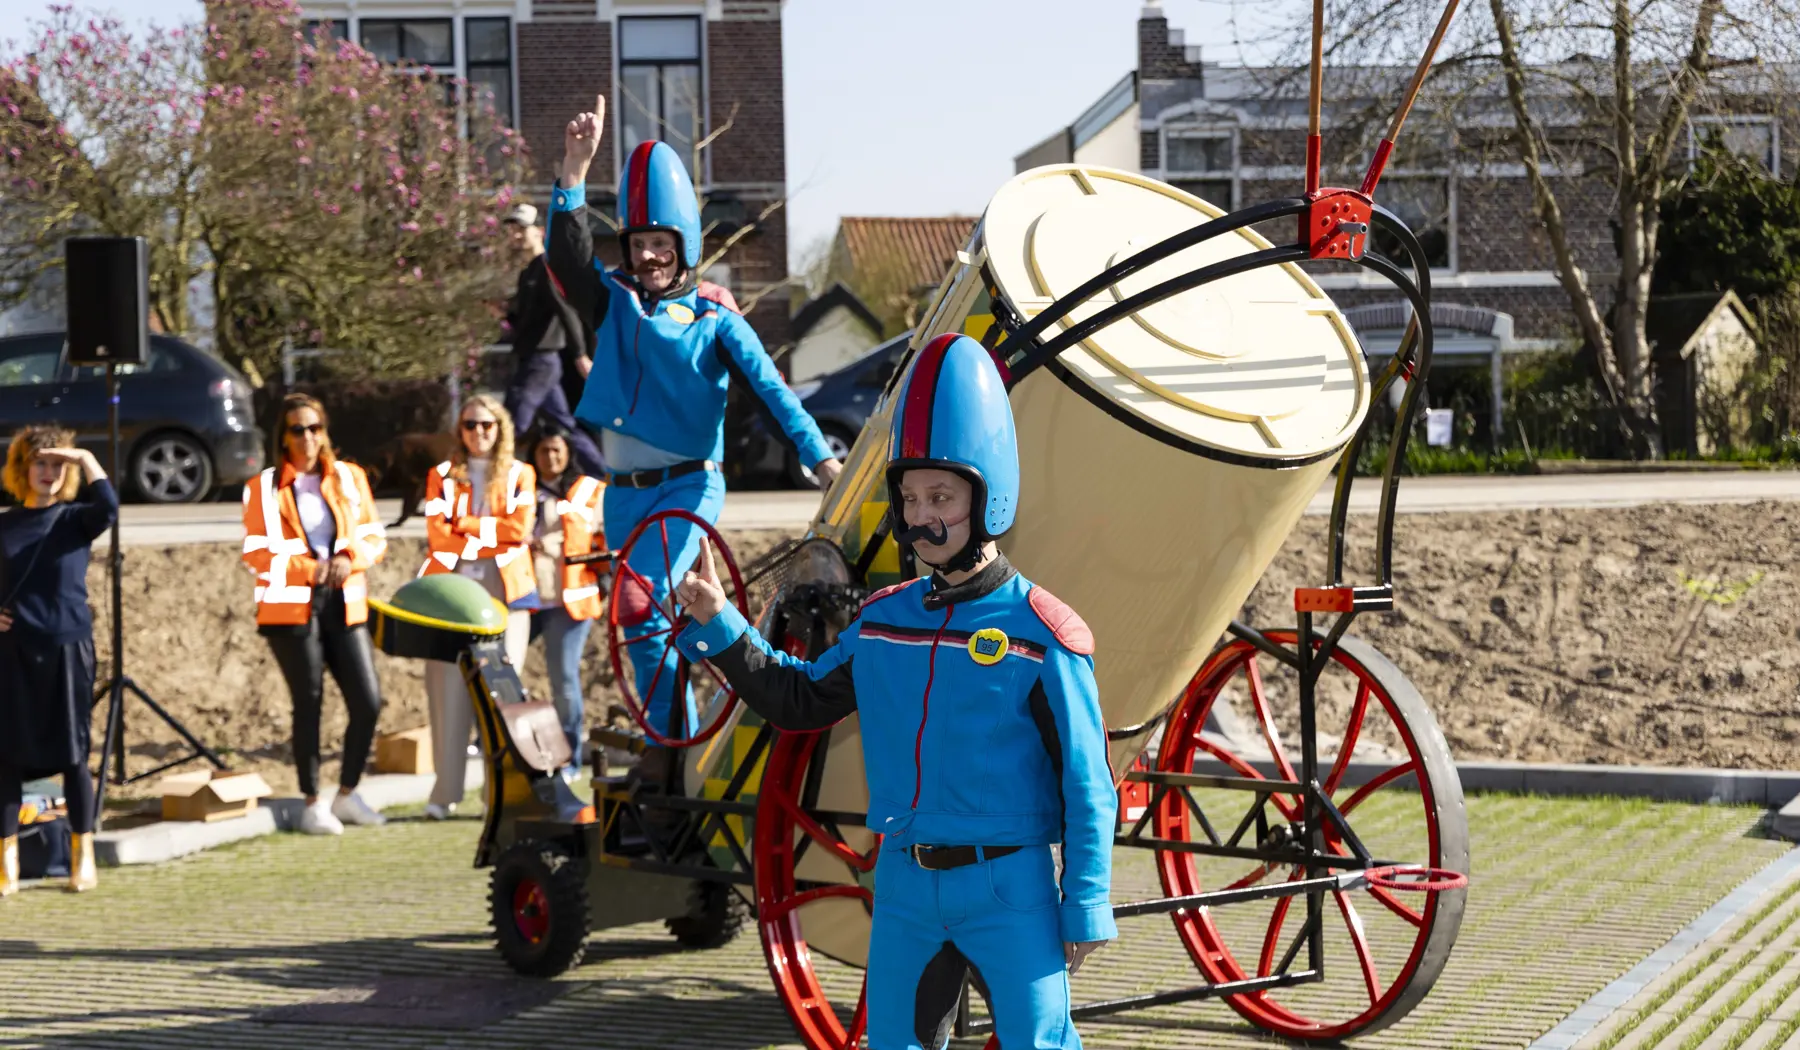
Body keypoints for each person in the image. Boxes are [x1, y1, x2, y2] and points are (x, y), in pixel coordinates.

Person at [674, 334, 1116, 1049]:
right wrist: (717, 623)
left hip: (1013, 894)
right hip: (906, 894)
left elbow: (1087, 781)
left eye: (940, 495)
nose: (920, 516)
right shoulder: (883, 622)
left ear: (988, 495)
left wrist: (1086, 904)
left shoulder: (1046, 634)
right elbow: (798, 701)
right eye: (909, 497)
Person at [548, 96, 842, 781]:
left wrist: (821, 459)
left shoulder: (714, 314)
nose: (648, 256)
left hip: (687, 483)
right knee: (647, 624)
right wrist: (573, 168)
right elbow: (564, 261)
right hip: (624, 496)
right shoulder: (613, 299)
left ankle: (669, 755)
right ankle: (681, 739)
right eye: (638, 243)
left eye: (661, 244)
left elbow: (772, 390)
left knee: (639, 603)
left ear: (684, 246)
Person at [241, 394, 389, 835]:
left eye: (314, 428)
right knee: (309, 702)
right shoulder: (262, 487)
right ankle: (311, 802)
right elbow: (258, 554)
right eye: (297, 430)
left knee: (367, 700)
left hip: (344, 599)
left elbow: (374, 537)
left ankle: (346, 794)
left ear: (325, 431)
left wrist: (349, 557)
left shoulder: (349, 477)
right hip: (291, 605)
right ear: (282, 437)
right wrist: (311, 569)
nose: (307, 438)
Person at [0, 427, 116, 895]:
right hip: (12, 652)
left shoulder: (77, 519)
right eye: (39, 463)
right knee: (5, 755)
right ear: (22, 469)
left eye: (56, 465)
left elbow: (109, 505)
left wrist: (85, 456)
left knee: (73, 754)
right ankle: (5, 861)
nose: (48, 473)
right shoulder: (5, 524)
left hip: (68, 648)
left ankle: (81, 855)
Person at [418, 396, 535, 819]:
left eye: (487, 424)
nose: (479, 432)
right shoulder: (441, 476)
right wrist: (489, 534)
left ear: (500, 428)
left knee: (502, 692)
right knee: (447, 692)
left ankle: (498, 795)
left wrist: (466, 526)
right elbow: (438, 537)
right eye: (470, 424)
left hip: (507, 591)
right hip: (452, 592)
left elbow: (518, 531)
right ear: (460, 430)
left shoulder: (522, 473)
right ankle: (444, 793)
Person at [501, 203, 606, 479]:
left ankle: (493, 484)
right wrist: (506, 314)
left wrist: (580, 354)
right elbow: (526, 322)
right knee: (566, 426)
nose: (516, 236)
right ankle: (608, 478)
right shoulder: (528, 273)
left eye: (521, 230)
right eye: (512, 231)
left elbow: (566, 311)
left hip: (541, 361)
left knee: (510, 424)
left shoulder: (548, 269)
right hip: (536, 359)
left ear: (539, 232)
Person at [526, 427, 607, 775]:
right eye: (544, 450)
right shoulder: (519, 487)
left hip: (568, 601)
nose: (551, 457)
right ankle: (514, 751)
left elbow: (604, 541)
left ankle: (569, 759)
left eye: (557, 450)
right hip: (525, 598)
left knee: (564, 682)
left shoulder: (588, 490)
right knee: (502, 676)